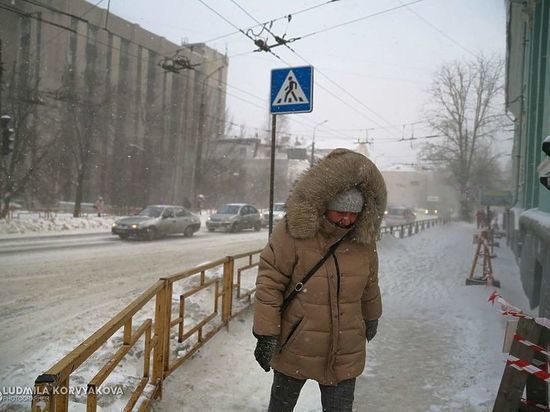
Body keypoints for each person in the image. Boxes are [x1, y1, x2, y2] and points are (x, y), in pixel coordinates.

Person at [253, 148, 387, 412]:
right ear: (324, 204)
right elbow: (270, 283)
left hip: (345, 348)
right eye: (340, 211)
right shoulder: (293, 233)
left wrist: (373, 316)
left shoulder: (362, 240)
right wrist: (266, 334)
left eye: (354, 213)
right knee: (280, 408)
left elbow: (369, 284)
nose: (347, 219)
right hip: (297, 343)